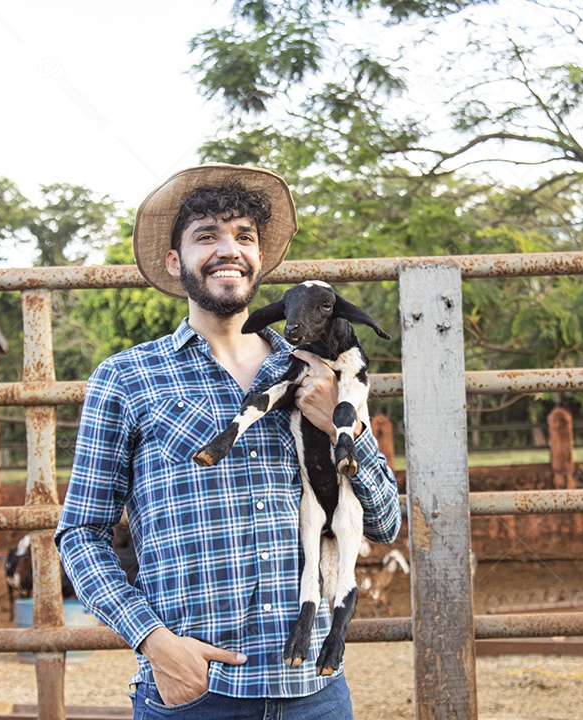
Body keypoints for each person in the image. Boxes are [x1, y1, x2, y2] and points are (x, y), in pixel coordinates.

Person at [55, 163, 401, 719]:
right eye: (206, 237)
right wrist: (154, 643)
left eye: (244, 237)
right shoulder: (127, 378)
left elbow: (384, 525)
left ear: (260, 260)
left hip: (314, 695)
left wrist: (341, 426)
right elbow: (81, 533)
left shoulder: (322, 375)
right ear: (175, 262)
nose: (229, 250)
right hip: (195, 692)